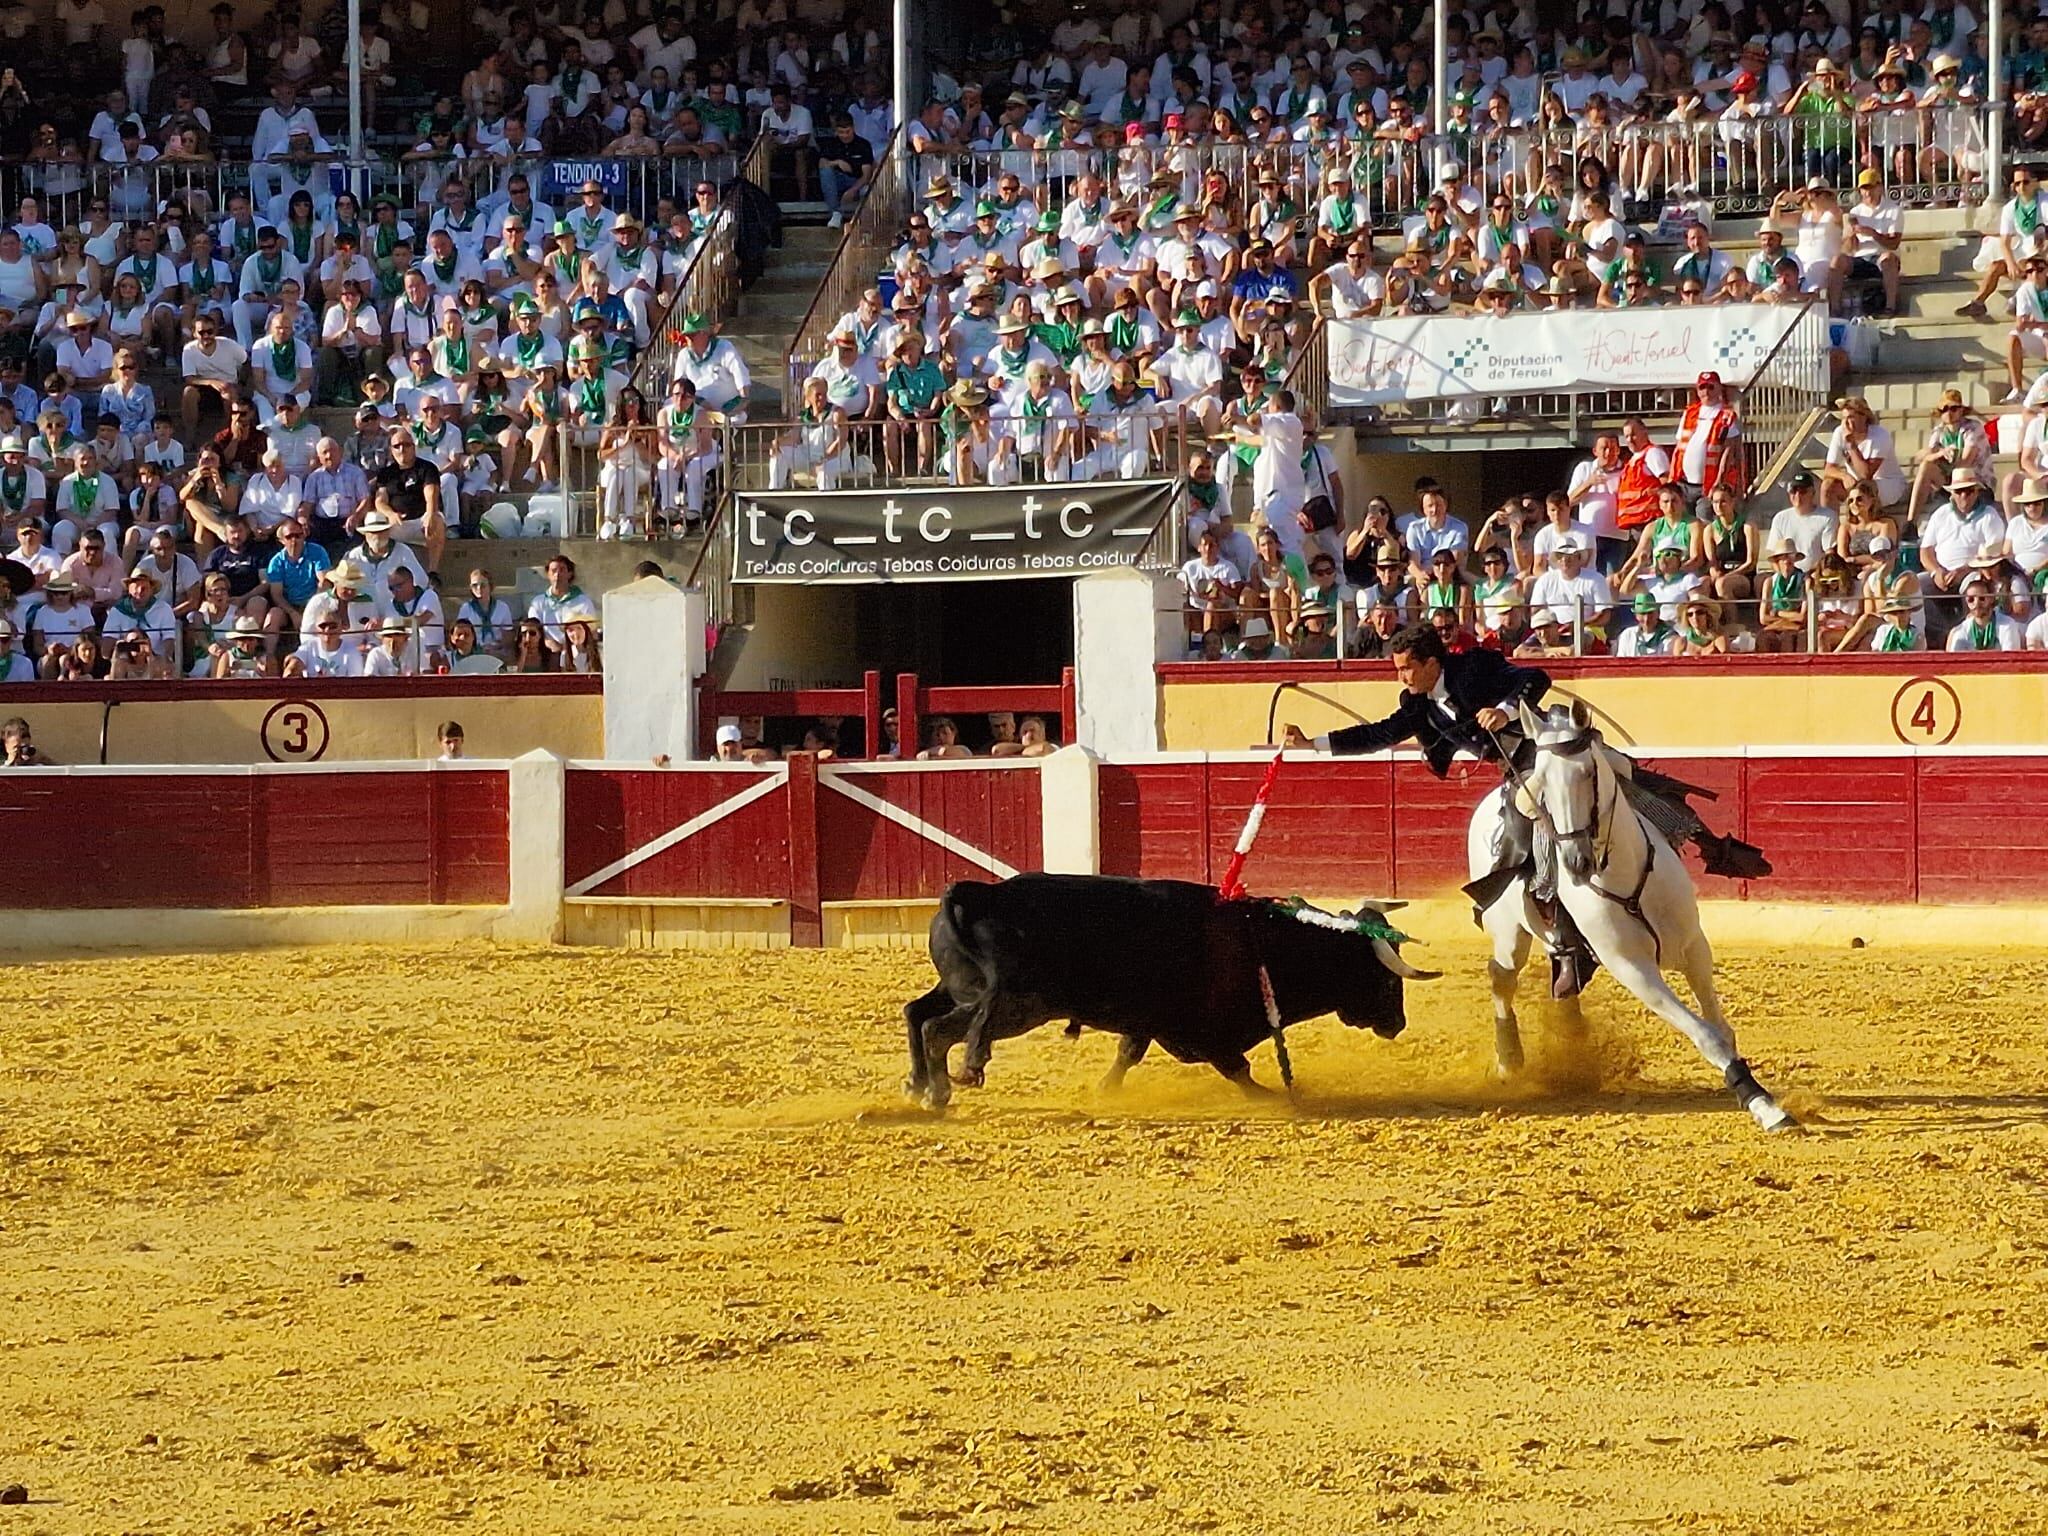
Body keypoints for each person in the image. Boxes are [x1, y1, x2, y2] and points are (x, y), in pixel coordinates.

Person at [1283, 622, 1766, 996]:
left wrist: (1507, 710)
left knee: (1631, 777)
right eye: (1399, 671)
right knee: (1518, 828)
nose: (1402, 678)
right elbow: (1377, 733)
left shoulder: (1473, 667)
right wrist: (1314, 743)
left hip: (1554, 746)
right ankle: (1564, 937)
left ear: (1433, 663)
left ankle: (1710, 845)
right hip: (1520, 771)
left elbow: (1536, 676)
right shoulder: (1417, 703)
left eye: (1407, 668)